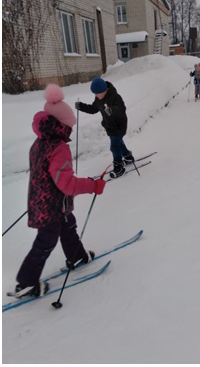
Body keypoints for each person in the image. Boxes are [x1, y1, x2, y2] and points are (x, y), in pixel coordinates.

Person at [15, 84, 106, 298]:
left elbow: (44, 176)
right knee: (46, 242)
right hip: (50, 206)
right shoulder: (59, 148)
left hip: (49, 202)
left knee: (68, 226)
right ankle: (26, 283)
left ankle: (76, 256)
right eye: (69, 126)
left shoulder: (40, 142)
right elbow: (66, 184)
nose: (71, 130)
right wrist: (92, 186)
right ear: (60, 125)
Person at [75, 78, 134, 178]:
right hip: (109, 126)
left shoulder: (115, 97)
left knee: (114, 146)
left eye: (98, 93)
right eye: (95, 94)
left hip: (119, 125)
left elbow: (121, 109)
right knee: (118, 142)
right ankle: (128, 157)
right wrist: (81, 107)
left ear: (105, 90)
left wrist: (112, 110)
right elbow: (93, 109)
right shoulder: (99, 99)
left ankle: (119, 166)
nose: (96, 96)